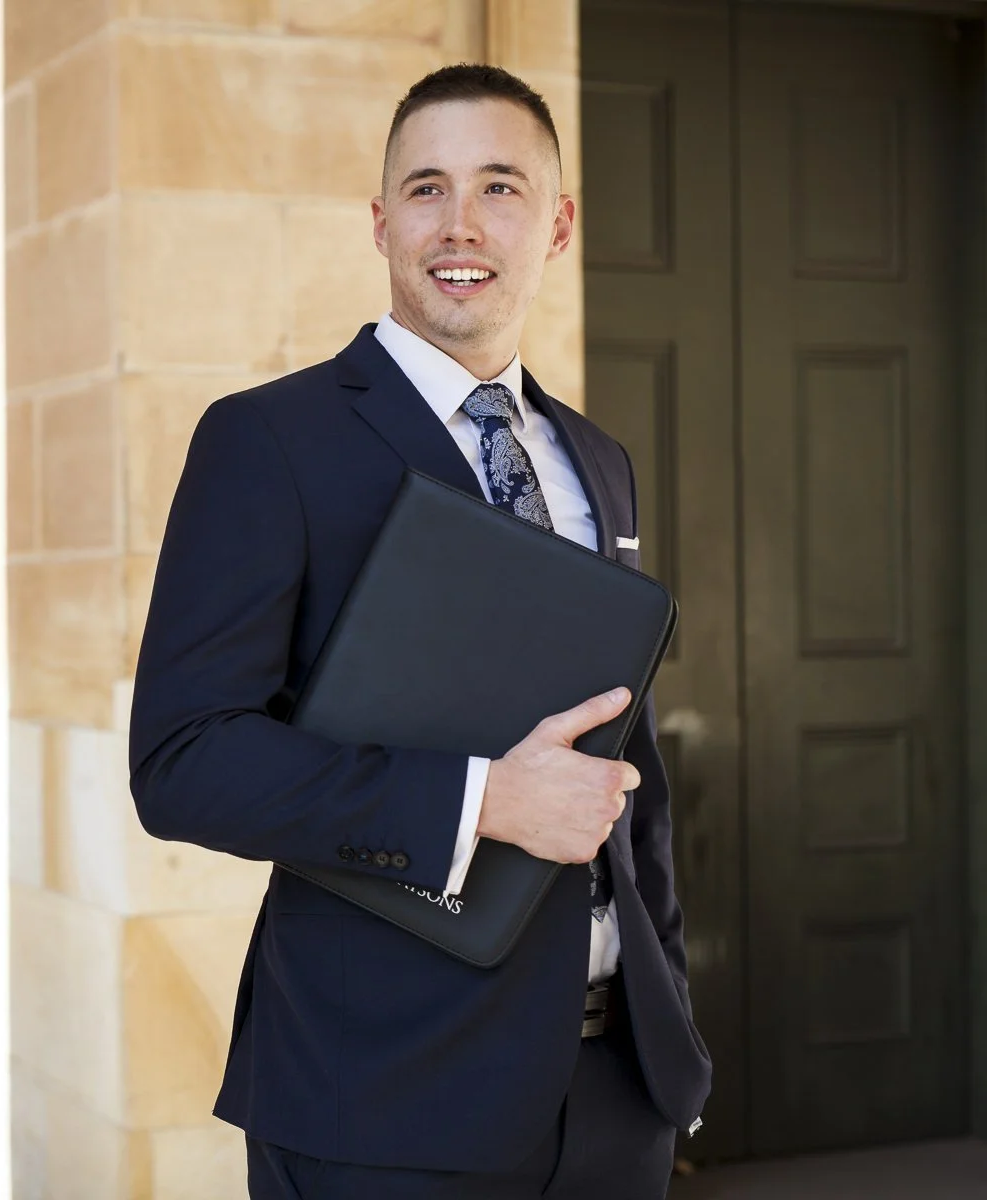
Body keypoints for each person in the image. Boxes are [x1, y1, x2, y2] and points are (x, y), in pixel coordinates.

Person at [127, 65, 711, 1198]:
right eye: (426, 188)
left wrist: (670, 1034)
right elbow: (183, 761)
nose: (460, 224)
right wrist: (482, 801)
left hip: (616, 1102)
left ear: (557, 224)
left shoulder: (598, 463)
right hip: (381, 1102)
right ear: (381, 220)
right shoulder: (269, 442)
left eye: (500, 187)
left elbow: (628, 778)